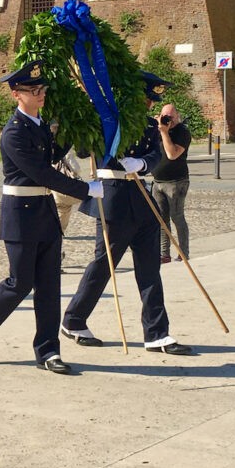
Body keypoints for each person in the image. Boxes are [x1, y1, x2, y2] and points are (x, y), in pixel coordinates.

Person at [0, 61, 103, 374]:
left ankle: (48, 351)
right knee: (20, 282)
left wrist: (76, 128)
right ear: (17, 94)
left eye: (42, 89)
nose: (40, 94)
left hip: (44, 214)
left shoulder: (39, 125)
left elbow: (52, 156)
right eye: (33, 90)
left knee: (49, 285)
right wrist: (86, 189)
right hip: (21, 217)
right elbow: (41, 172)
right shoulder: (13, 134)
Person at [61, 72, 193, 355]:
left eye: (152, 100)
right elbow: (84, 151)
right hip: (113, 197)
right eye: (145, 99)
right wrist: (91, 119)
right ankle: (73, 320)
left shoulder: (147, 124)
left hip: (141, 197)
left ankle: (156, 333)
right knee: (103, 265)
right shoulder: (108, 119)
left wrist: (142, 164)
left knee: (150, 268)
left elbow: (157, 154)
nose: (149, 105)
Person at [152, 102, 191, 263]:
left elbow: (172, 154)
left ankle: (183, 253)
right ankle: (164, 254)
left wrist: (164, 132)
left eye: (171, 117)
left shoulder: (182, 132)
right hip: (158, 181)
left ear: (177, 116)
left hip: (176, 182)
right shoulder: (159, 130)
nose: (168, 120)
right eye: (165, 116)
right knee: (161, 220)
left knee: (177, 217)